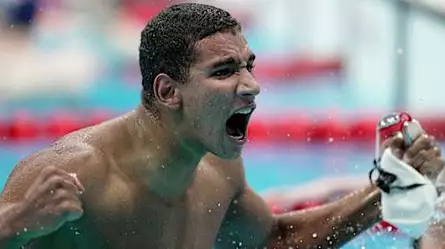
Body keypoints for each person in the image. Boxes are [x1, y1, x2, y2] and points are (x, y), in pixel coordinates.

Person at [0, 3, 443, 248]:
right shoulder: (72, 177)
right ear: (168, 91)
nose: (252, 86)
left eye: (249, 66)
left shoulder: (217, 170)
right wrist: (13, 223)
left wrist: (385, 190)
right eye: (224, 71)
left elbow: (274, 240)